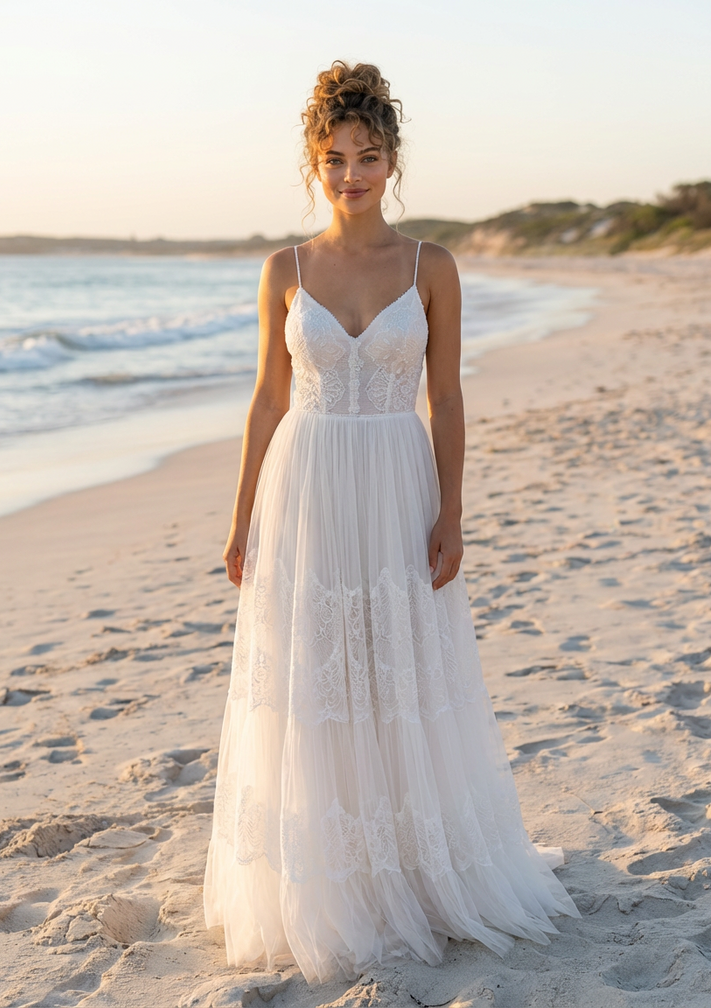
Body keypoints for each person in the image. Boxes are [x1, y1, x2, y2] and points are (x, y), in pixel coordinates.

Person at [204, 60, 578, 985]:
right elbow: (267, 399)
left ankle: (414, 864)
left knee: (399, 668)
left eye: (367, 156)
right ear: (314, 165)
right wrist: (241, 518)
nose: (351, 175)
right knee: (316, 675)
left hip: (397, 480)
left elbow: (445, 399)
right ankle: (334, 876)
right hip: (307, 485)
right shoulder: (284, 269)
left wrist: (453, 510)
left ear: (393, 160)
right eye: (335, 159)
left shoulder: (430, 266)